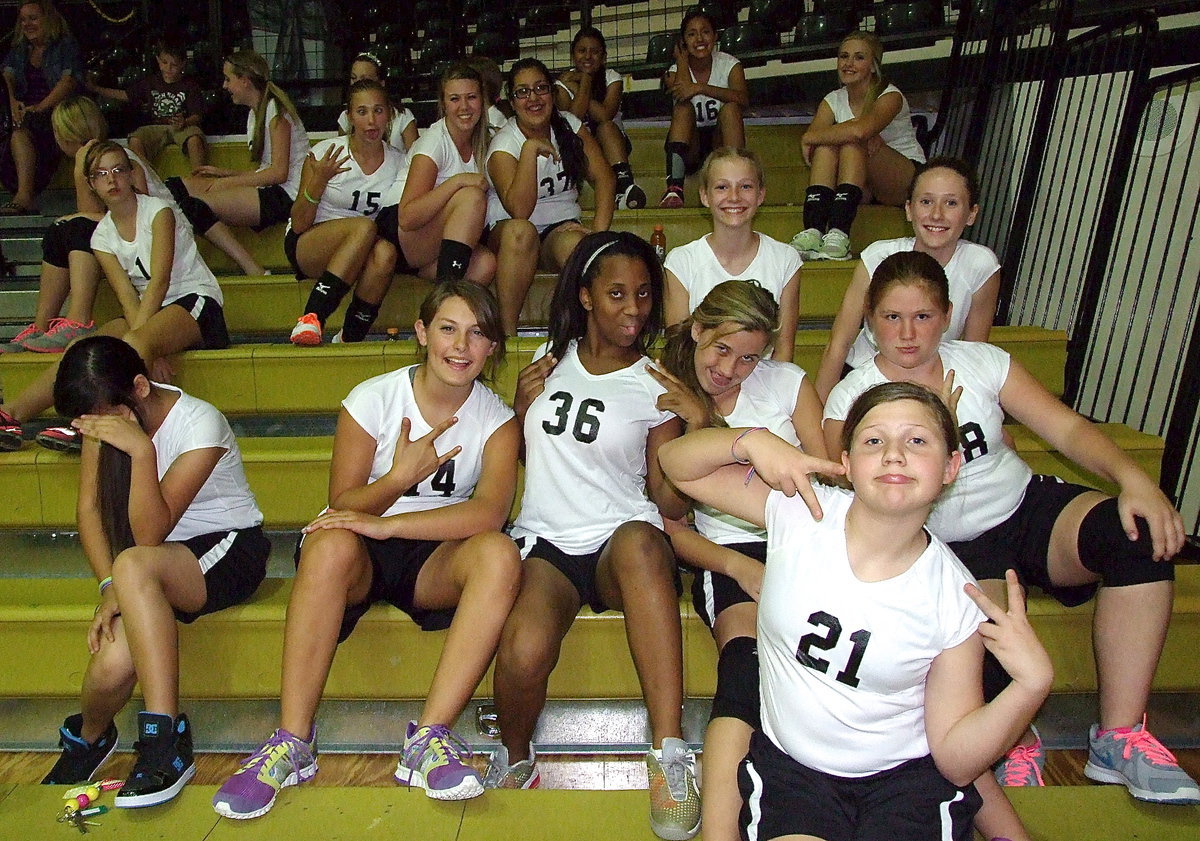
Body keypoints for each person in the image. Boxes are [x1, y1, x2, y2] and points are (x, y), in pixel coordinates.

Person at [823, 251, 1199, 805]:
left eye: (923, 317)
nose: (907, 333)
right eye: (891, 317)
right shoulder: (852, 395)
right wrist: (938, 428)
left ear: (948, 315)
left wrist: (1134, 479)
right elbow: (861, 497)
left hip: (1023, 508)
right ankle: (1013, 739)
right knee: (983, 639)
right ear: (869, 318)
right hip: (947, 544)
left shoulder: (982, 362)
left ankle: (1119, 739)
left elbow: (1067, 428)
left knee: (1133, 535)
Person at [661, 381, 1054, 841]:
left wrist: (1031, 685)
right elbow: (678, 466)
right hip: (795, 778)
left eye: (917, 440)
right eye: (873, 440)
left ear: (951, 466)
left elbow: (954, 757)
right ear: (845, 462)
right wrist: (749, 439)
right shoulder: (802, 512)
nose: (893, 454)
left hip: (905, 786)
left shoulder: (953, 596)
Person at [212, 282, 521, 818]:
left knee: (498, 553)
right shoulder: (373, 398)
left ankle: (429, 738)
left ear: (492, 347)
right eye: (448, 328)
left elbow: (489, 513)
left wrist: (392, 528)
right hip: (361, 550)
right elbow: (344, 501)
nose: (461, 345)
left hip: (431, 552)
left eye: (477, 333)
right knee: (328, 542)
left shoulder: (497, 419)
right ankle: (292, 742)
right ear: (423, 333)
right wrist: (400, 477)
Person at [483, 232, 698, 841]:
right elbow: (520, 465)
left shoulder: (656, 384)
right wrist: (518, 412)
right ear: (584, 297)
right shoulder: (542, 365)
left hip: (621, 545)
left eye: (644, 295)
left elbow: (669, 499)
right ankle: (518, 759)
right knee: (523, 652)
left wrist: (697, 427)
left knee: (638, 539)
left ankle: (670, 757)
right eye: (617, 295)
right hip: (547, 543)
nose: (634, 309)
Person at [39, 335, 269, 808]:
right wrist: (109, 587)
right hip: (145, 563)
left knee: (134, 562)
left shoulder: (199, 422)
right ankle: (90, 738)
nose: (98, 429)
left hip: (225, 549)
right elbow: (90, 512)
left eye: (104, 418)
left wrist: (142, 451)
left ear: (141, 387)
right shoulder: (109, 418)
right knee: (109, 668)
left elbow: (149, 532)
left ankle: (165, 740)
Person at [651, 279, 827, 841]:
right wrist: (738, 568)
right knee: (747, 663)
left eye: (749, 357)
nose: (731, 368)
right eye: (721, 349)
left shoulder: (788, 385)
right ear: (698, 329)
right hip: (726, 551)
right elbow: (669, 521)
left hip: (803, 544)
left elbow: (825, 486)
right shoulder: (667, 390)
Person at [0, 141, 229, 453]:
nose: (112, 179)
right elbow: (126, 294)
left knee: (134, 344)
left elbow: (160, 281)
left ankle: (96, 424)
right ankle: (10, 415)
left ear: (131, 174)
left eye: (119, 170)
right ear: (92, 184)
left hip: (195, 302)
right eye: (102, 174)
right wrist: (150, 343)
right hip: (148, 312)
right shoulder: (102, 235)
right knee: (82, 348)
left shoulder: (157, 212)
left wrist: (147, 341)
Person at [814, 156, 999, 400]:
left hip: (931, 384)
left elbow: (974, 355)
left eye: (951, 203)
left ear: (971, 213)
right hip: (864, 377)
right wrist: (818, 421)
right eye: (926, 202)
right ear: (909, 209)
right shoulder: (878, 256)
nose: (936, 214)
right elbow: (837, 346)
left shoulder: (980, 264)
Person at [486, 58, 615, 336]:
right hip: (510, 232)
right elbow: (520, 210)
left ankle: (581, 336)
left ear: (552, 93)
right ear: (512, 99)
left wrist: (597, 233)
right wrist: (530, 151)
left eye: (540, 88)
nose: (533, 98)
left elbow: (605, 178)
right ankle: (507, 335)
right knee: (522, 232)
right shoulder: (505, 144)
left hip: (559, 228)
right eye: (522, 92)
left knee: (580, 248)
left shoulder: (569, 126)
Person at [790, 31, 926, 261]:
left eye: (859, 57)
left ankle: (839, 233)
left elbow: (860, 130)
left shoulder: (890, 95)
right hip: (861, 184)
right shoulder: (833, 98)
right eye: (844, 56)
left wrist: (813, 137)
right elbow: (817, 136)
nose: (848, 63)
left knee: (853, 143)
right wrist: (817, 137)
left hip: (904, 178)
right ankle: (813, 231)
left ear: (873, 66)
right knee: (827, 147)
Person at [162, 49, 308, 264]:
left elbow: (279, 173)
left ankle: (250, 266)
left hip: (286, 196)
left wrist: (229, 182)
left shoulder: (276, 112)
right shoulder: (255, 113)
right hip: (272, 188)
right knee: (173, 188)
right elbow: (267, 169)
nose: (225, 86)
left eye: (228, 79)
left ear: (245, 81)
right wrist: (224, 174)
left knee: (193, 206)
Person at [287, 79, 403, 345]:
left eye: (378, 110)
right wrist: (319, 180)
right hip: (309, 245)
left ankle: (351, 337)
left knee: (385, 254)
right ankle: (311, 317)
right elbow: (299, 223)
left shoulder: (400, 162)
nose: (371, 121)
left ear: (389, 114)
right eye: (362, 112)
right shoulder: (326, 152)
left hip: (363, 250)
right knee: (363, 226)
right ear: (349, 116)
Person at [663, 148, 800, 361]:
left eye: (745, 186)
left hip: (763, 386)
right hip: (700, 385)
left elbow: (783, 350)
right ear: (704, 196)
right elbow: (679, 351)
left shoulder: (784, 259)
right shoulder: (681, 261)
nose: (734, 197)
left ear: (760, 195)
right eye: (722, 187)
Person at [392, 61, 495, 288]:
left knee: (485, 264)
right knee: (471, 197)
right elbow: (407, 217)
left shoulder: (486, 141)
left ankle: (446, 312)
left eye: (471, 97)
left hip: (438, 244)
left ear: (483, 100)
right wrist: (457, 182)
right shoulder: (433, 142)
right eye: (455, 99)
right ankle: (444, 303)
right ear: (443, 104)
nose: (464, 107)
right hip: (402, 237)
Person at [659, 10, 747, 209]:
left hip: (719, 140)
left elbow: (743, 99)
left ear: (715, 36)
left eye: (705, 32)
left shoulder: (730, 64)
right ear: (683, 41)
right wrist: (681, 60)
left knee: (731, 109)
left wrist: (700, 88)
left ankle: (737, 180)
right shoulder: (673, 72)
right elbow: (680, 92)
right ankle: (674, 187)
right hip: (690, 144)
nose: (699, 38)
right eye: (691, 34)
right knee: (683, 108)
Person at [1, 0, 81, 214]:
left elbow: (68, 81)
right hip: (25, 113)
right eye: (23, 19)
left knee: (20, 133)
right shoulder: (20, 50)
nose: (27, 24)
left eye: (33, 18)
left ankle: (24, 197)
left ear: (48, 19)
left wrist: (39, 107)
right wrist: (12, 102)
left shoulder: (65, 45)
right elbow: (6, 75)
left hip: (56, 113)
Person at [555, 27, 646, 210]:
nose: (588, 56)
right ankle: (619, 194)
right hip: (580, 148)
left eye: (594, 52)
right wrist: (581, 85)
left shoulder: (612, 77)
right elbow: (573, 119)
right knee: (580, 136)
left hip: (613, 144)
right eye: (582, 51)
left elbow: (605, 114)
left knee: (606, 126)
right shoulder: (561, 84)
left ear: (604, 57)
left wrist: (582, 84)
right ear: (573, 56)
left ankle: (625, 185)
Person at [86, 34, 209, 169]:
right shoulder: (150, 82)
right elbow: (125, 95)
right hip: (156, 127)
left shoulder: (190, 86)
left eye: (174, 64)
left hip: (183, 127)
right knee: (135, 139)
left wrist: (185, 122)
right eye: (164, 62)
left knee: (195, 139)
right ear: (157, 60)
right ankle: (148, 179)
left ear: (183, 64)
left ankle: (200, 176)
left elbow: (197, 115)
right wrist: (96, 89)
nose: (168, 68)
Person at [335, 52, 418, 154]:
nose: (357, 83)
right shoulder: (345, 117)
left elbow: (415, 159)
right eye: (353, 78)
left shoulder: (403, 117)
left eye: (364, 79)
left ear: (381, 83)